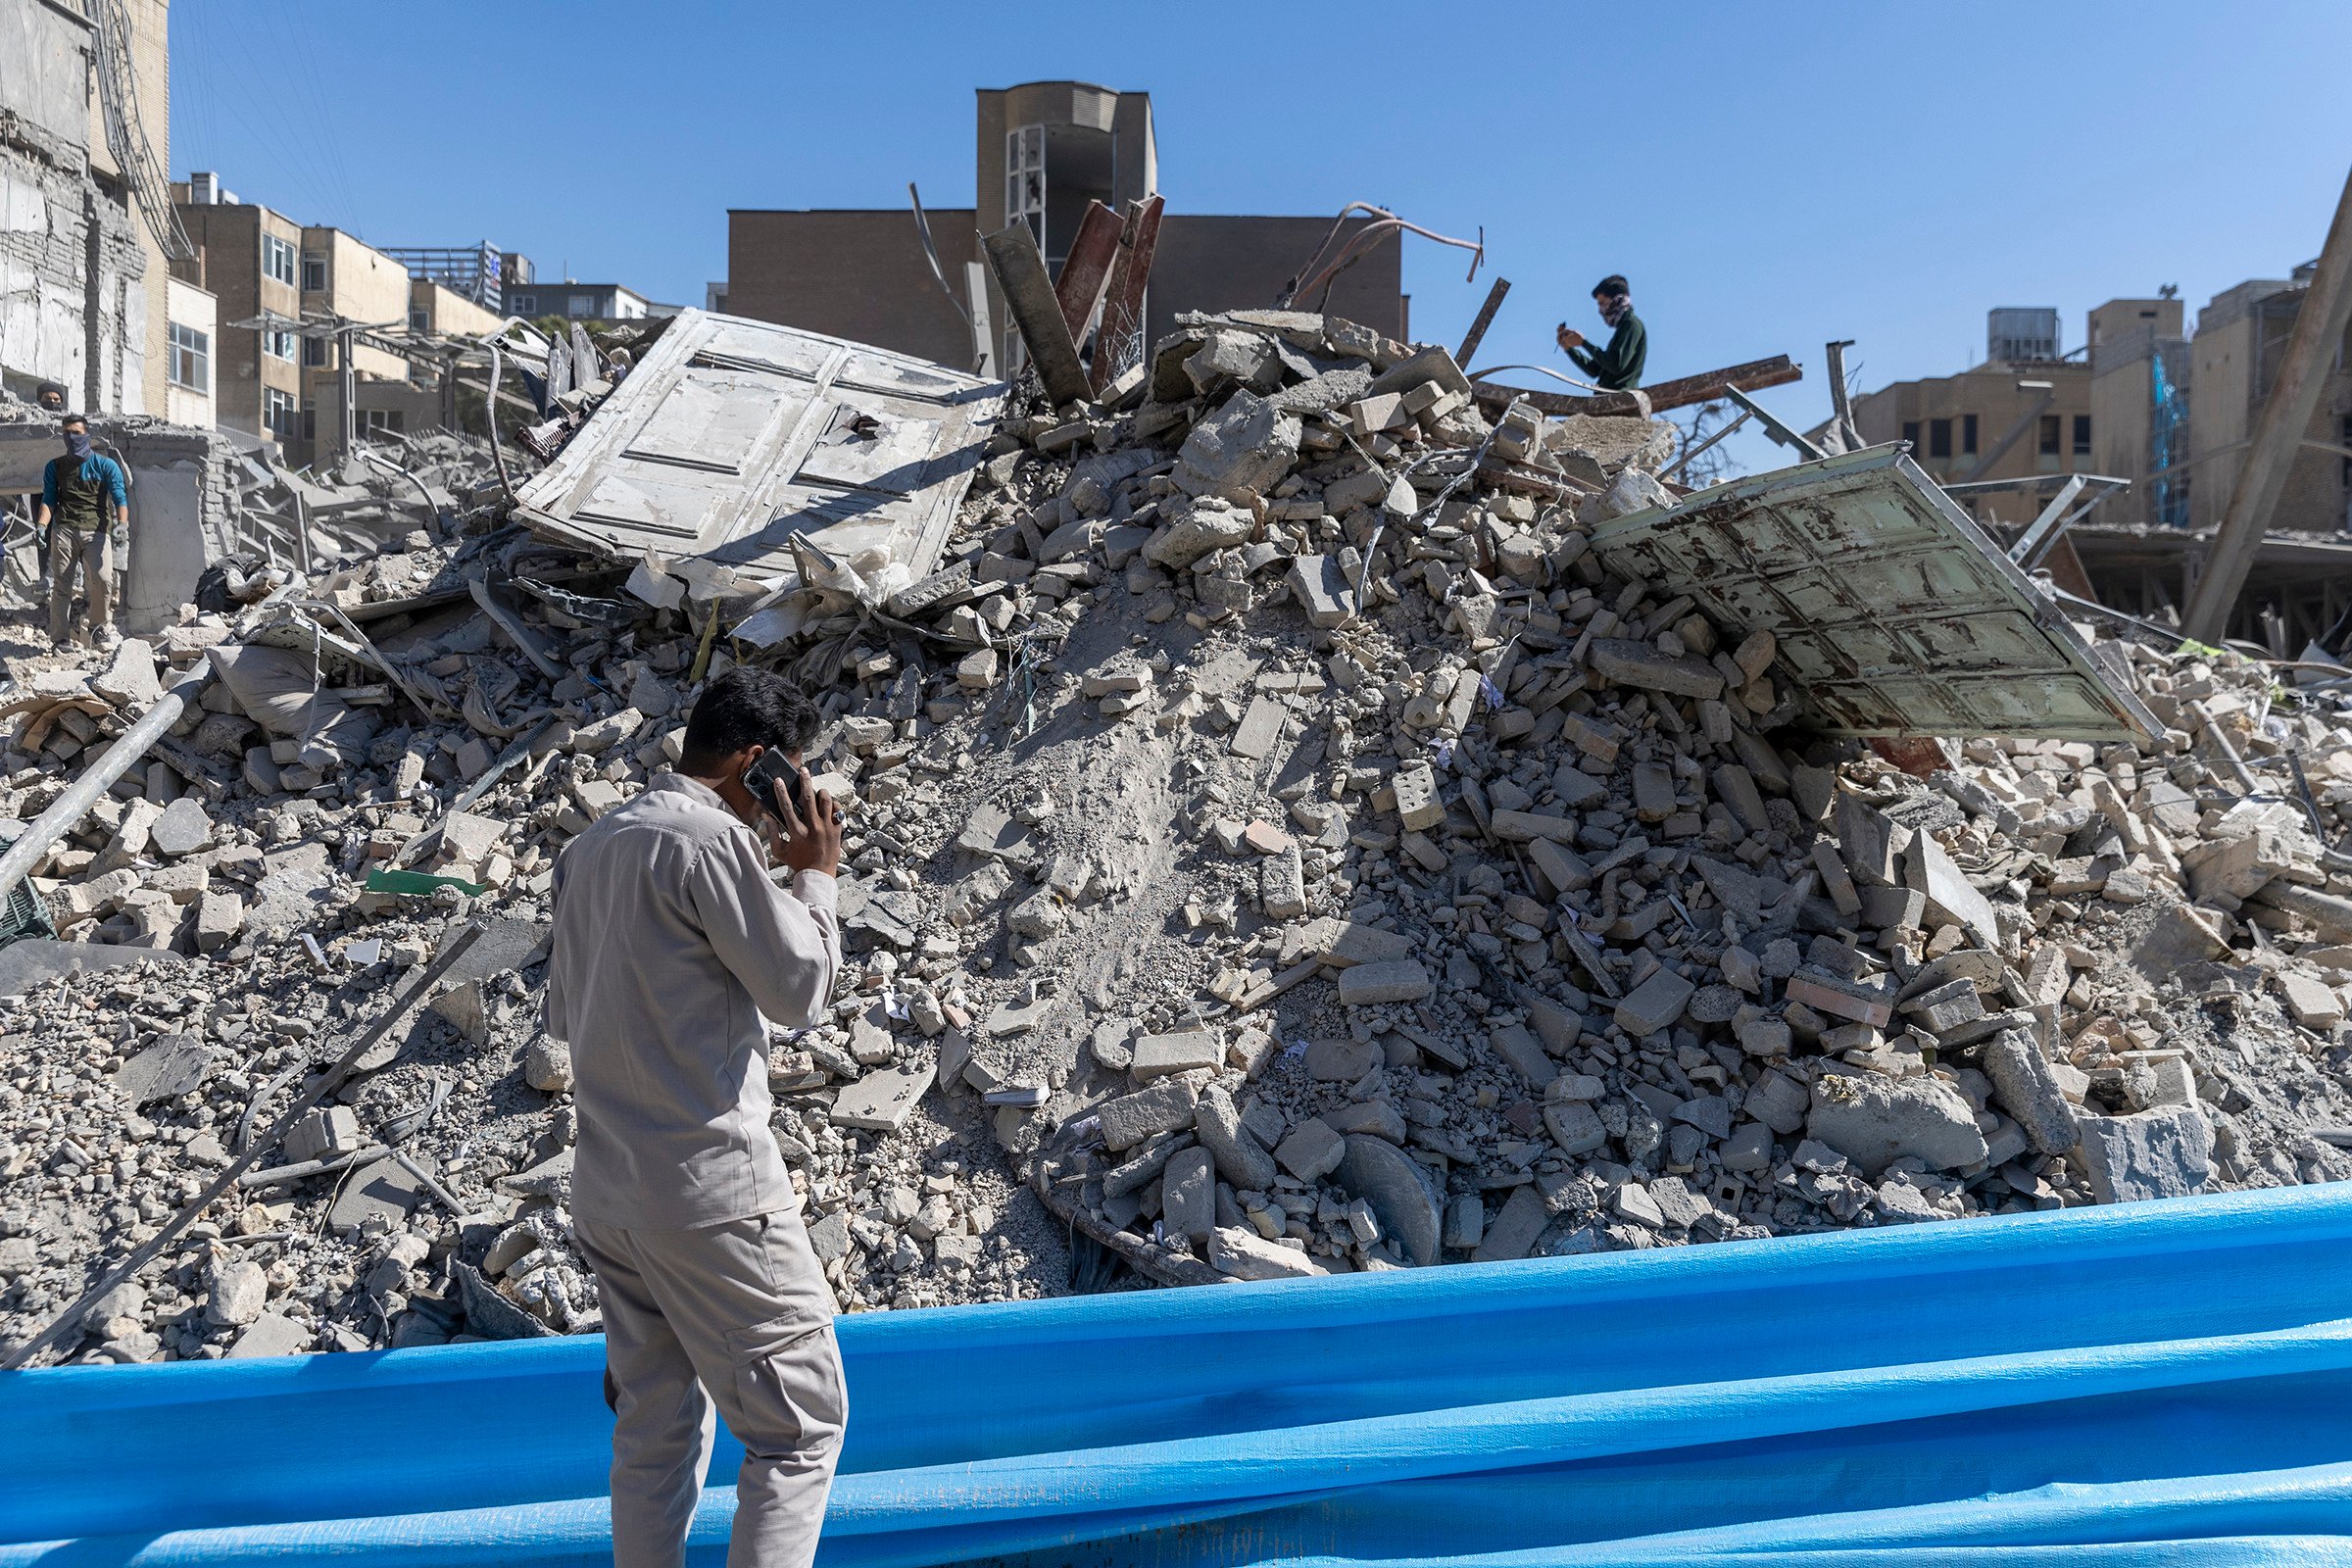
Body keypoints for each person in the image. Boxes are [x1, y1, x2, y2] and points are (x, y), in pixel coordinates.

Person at [546, 666, 850, 1568]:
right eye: (789, 778)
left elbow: (565, 1020)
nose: (792, 800)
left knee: (656, 1431)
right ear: (756, 765)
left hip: (610, 1194)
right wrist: (815, 879)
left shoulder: (593, 847)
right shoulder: (710, 842)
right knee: (799, 1427)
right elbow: (801, 989)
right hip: (711, 1192)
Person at [35, 415, 127, 648]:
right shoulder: (55, 467)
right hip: (64, 529)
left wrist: (122, 525)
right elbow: (49, 499)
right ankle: (60, 639)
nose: (71, 437)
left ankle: (97, 628)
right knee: (62, 585)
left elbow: (120, 497)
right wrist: (42, 525)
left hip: (96, 530)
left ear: (87, 434)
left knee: (103, 580)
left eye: (75, 432)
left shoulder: (105, 465)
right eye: (66, 432)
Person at [1555, 274, 1647, 392]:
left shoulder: (1631, 325)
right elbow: (1595, 370)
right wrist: (1569, 348)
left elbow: (1615, 365)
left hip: (1620, 398)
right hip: (1608, 398)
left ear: (1617, 299)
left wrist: (1584, 343)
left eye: (1602, 303)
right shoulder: (1622, 328)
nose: (1600, 310)